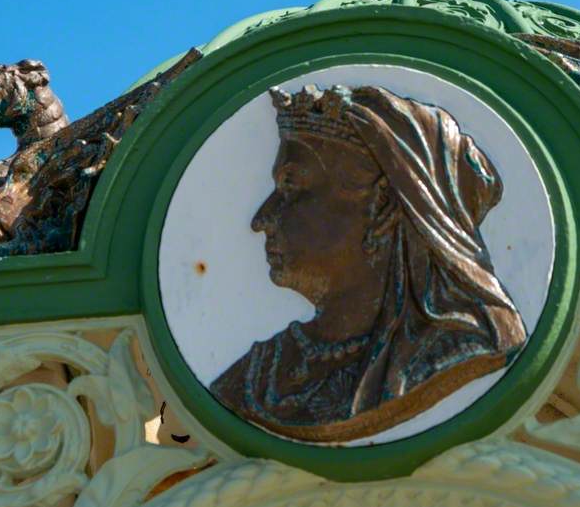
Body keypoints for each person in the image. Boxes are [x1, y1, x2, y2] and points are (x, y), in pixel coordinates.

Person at [210, 84, 526, 442]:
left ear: (383, 207)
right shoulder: (254, 379)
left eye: (291, 186)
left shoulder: (457, 353)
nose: (261, 219)